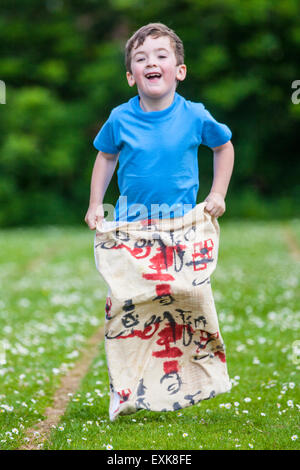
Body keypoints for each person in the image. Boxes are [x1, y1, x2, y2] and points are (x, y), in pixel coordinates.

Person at [85, 22, 234, 229]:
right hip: (130, 226)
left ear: (180, 71)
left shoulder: (194, 115)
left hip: (181, 226)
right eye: (140, 58)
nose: (151, 63)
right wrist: (95, 204)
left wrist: (218, 193)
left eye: (161, 56)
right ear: (130, 77)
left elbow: (224, 147)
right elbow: (106, 157)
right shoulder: (119, 118)